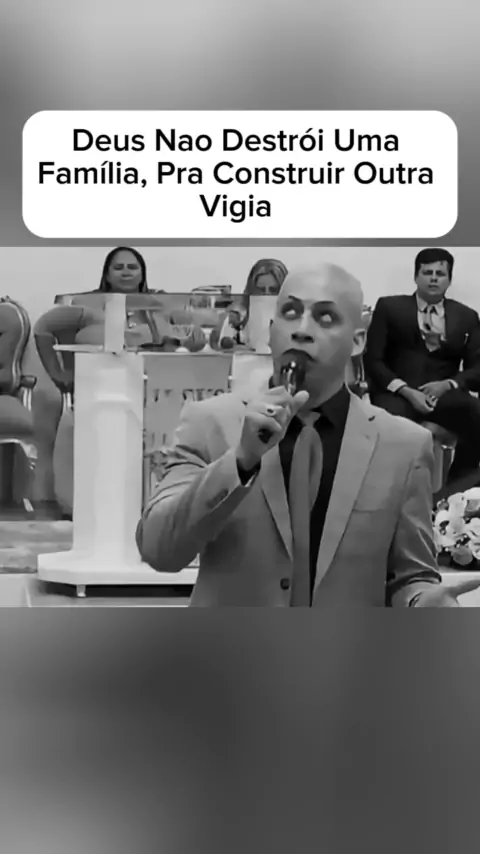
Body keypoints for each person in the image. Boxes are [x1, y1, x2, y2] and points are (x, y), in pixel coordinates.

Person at [136, 263, 479, 607]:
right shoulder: (210, 422)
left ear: (357, 340)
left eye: (325, 318)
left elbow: (411, 576)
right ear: (271, 330)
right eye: (290, 312)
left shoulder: (404, 445)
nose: (301, 330)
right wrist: (240, 461)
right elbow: (158, 549)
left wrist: (423, 604)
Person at [364, 248, 480, 488]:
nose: (434, 278)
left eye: (440, 274)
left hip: (443, 396)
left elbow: (476, 368)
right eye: (427, 273)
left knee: (476, 414)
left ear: (449, 279)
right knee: (390, 426)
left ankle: (457, 490)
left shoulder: (467, 316)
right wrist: (406, 390)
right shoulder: (389, 307)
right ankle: (392, 492)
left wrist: (448, 384)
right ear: (416, 277)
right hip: (398, 394)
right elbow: (373, 360)